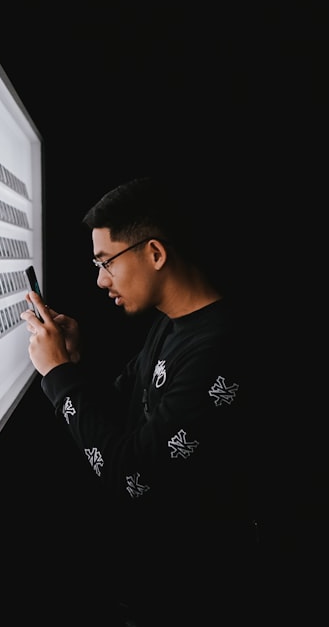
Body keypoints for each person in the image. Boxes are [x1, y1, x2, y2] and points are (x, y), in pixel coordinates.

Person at [20, 176, 263, 626]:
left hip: (198, 598)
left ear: (155, 253)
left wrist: (57, 375)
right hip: (156, 586)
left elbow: (133, 475)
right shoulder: (171, 323)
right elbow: (121, 414)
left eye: (106, 262)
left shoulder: (220, 348)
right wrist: (72, 362)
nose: (99, 280)